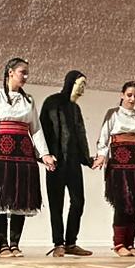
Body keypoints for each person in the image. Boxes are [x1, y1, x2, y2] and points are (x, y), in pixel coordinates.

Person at [0, 57, 57, 257]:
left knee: (20, 199)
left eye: (27, 73)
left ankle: (15, 244)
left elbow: (36, 129)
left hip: (24, 155)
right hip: (1, 154)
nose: (25, 77)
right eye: (22, 72)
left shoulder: (29, 100)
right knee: (0, 199)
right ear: (10, 72)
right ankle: (3, 245)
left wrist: (44, 154)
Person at [93, 81, 135, 256]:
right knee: (123, 202)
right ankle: (119, 243)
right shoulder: (113, 113)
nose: (132, 98)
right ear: (122, 95)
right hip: (119, 163)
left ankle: (130, 243)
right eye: (129, 95)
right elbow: (104, 137)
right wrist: (101, 156)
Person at [40, 69, 93, 256]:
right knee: (56, 204)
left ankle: (71, 242)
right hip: (55, 162)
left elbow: (80, 135)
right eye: (81, 85)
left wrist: (87, 159)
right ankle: (58, 244)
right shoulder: (52, 102)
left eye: (84, 85)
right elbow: (43, 130)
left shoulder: (75, 109)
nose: (83, 89)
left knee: (78, 201)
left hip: (73, 162)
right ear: (71, 83)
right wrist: (45, 155)